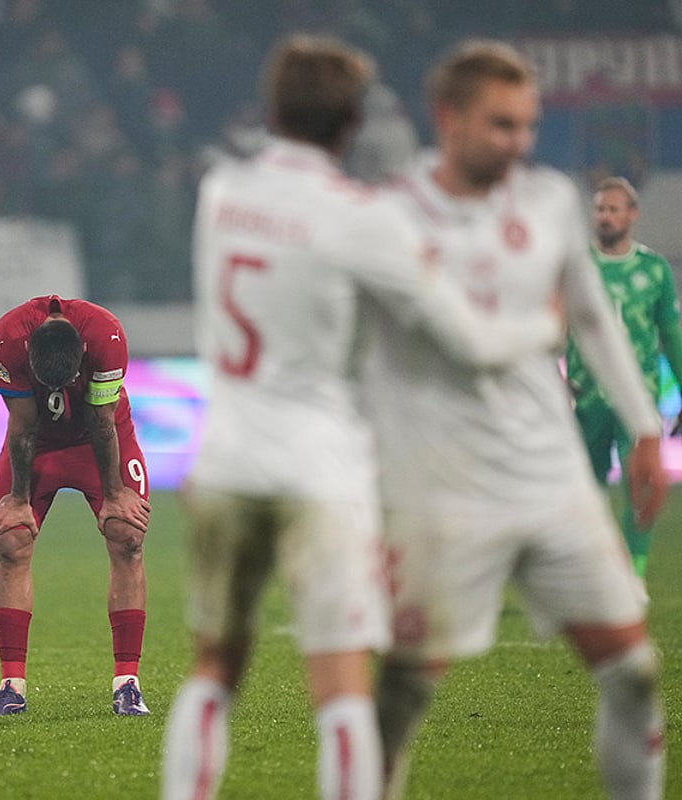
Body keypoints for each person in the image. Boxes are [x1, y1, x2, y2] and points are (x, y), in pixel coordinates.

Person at [160, 34, 565, 800]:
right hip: (320, 470)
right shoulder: (362, 218)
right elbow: (468, 341)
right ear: (352, 123)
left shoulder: (221, 193)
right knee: (343, 691)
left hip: (226, 459)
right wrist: (543, 324)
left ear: (273, 109)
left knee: (213, 669)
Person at [363, 41, 667, 800]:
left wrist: (644, 428)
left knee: (632, 674)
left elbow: (592, 319)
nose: (520, 143)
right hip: (444, 487)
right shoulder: (395, 216)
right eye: (502, 125)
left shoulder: (547, 202)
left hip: (550, 478)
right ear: (450, 119)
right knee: (406, 688)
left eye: (528, 126)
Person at [0, 294, 153, 716]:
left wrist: (114, 494)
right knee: (12, 540)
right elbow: (21, 427)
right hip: (38, 444)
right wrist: (18, 500)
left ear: (82, 357)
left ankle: (127, 684)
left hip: (101, 438)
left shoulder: (106, 335)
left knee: (127, 536)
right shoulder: (7, 337)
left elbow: (102, 418)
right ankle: (11, 687)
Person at [566, 176, 682, 580]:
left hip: (640, 399)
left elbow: (670, 334)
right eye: (600, 208)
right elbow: (548, 327)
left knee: (640, 483)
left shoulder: (653, 269)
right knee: (585, 490)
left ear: (632, 215)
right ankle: (593, 572)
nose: (605, 216)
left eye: (614, 209)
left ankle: (633, 574)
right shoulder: (576, 268)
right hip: (586, 396)